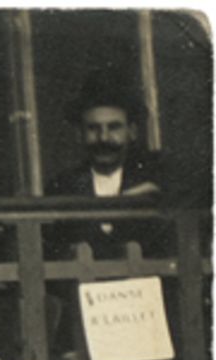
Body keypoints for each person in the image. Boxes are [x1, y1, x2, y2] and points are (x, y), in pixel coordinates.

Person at [46, 73, 170, 258]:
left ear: (132, 132)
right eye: (93, 128)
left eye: (114, 127)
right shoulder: (62, 187)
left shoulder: (155, 179)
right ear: (79, 135)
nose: (103, 138)